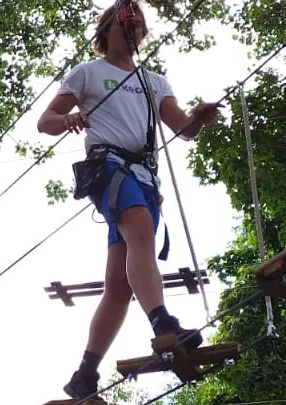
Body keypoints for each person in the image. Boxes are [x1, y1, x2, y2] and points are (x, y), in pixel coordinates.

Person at [36, 0, 222, 400]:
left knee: (119, 285)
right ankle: (162, 322)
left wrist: (199, 120)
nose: (135, 31)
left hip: (144, 175)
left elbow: (182, 128)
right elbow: (45, 121)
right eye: (128, 24)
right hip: (109, 168)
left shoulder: (154, 81)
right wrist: (68, 119)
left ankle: (84, 374)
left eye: (140, 26)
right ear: (108, 30)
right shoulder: (88, 73)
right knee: (138, 225)